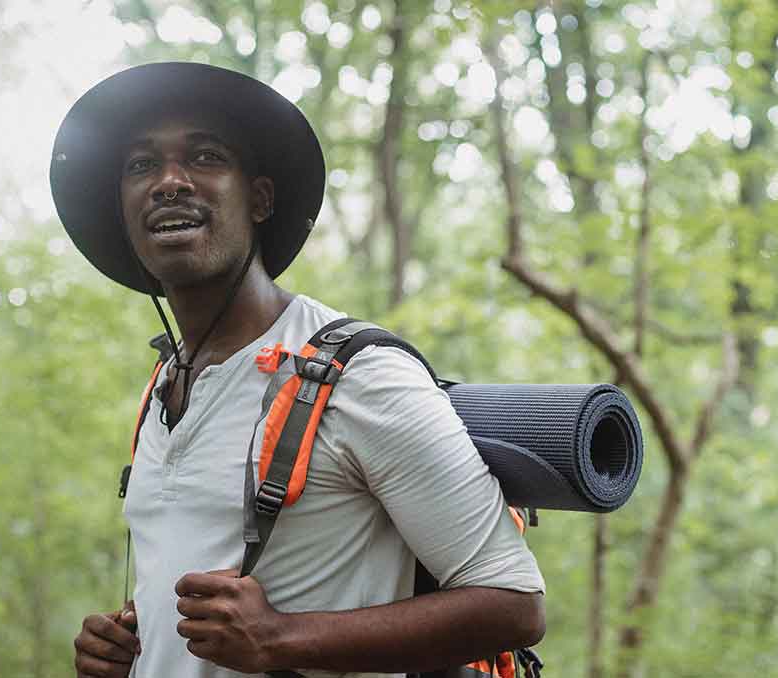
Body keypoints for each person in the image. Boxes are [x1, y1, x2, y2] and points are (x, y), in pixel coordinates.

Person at [50, 62, 545, 678]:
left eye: (203, 156)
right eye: (140, 165)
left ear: (259, 199)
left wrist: (281, 639)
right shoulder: (165, 384)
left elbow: (514, 604)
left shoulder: (359, 376)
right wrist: (136, 643)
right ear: (123, 209)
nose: (169, 182)